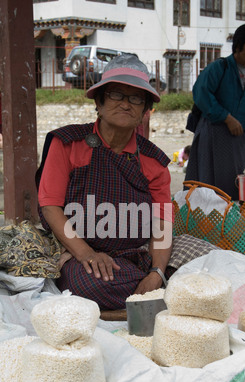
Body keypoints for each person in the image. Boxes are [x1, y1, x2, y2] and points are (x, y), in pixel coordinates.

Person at [36, 54, 173, 311]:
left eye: (136, 98)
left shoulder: (154, 161)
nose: (126, 104)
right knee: (93, 285)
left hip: (133, 255)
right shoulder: (67, 143)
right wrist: (86, 253)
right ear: (99, 101)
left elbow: (162, 223)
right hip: (81, 252)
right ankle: (150, 296)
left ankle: (153, 287)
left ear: (144, 110)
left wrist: (156, 274)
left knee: (192, 274)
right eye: (116, 94)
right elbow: (50, 207)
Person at [185, 24, 245, 200]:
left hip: (239, 142)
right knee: (209, 184)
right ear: (238, 46)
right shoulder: (218, 68)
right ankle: (205, 222)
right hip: (213, 135)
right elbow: (201, 93)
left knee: (234, 184)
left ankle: (229, 224)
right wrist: (226, 118)